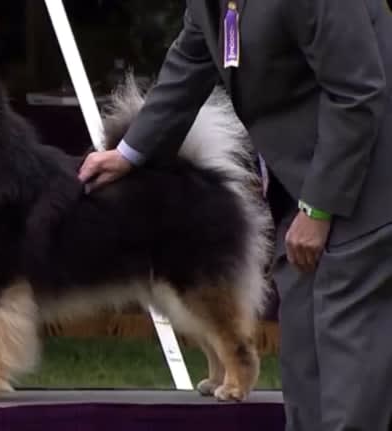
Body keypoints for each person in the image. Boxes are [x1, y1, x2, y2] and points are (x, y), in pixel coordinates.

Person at [78, 2, 392, 431]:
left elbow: (359, 94)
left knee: (349, 369)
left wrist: (319, 207)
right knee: (304, 358)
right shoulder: (207, 5)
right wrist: (128, 154)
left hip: (369, 187)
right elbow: (189, 64)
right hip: (304, 188)